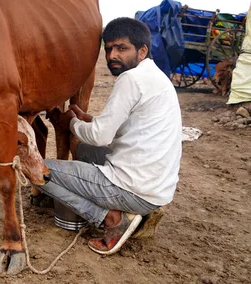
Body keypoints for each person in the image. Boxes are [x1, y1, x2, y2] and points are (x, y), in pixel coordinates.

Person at [37, 17, 182, 256]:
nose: (113, 55)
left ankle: (110, 218)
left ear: (142, 50)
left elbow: (101, 136)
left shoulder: (131, 79)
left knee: (35, 169)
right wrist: (85, 118)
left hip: (133, 190)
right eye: (108, 49)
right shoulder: (155, 77)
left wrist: (71, 123)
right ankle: (119, 205)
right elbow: (119, 127)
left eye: (122, 48)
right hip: (156, 187)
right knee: (83, 151)